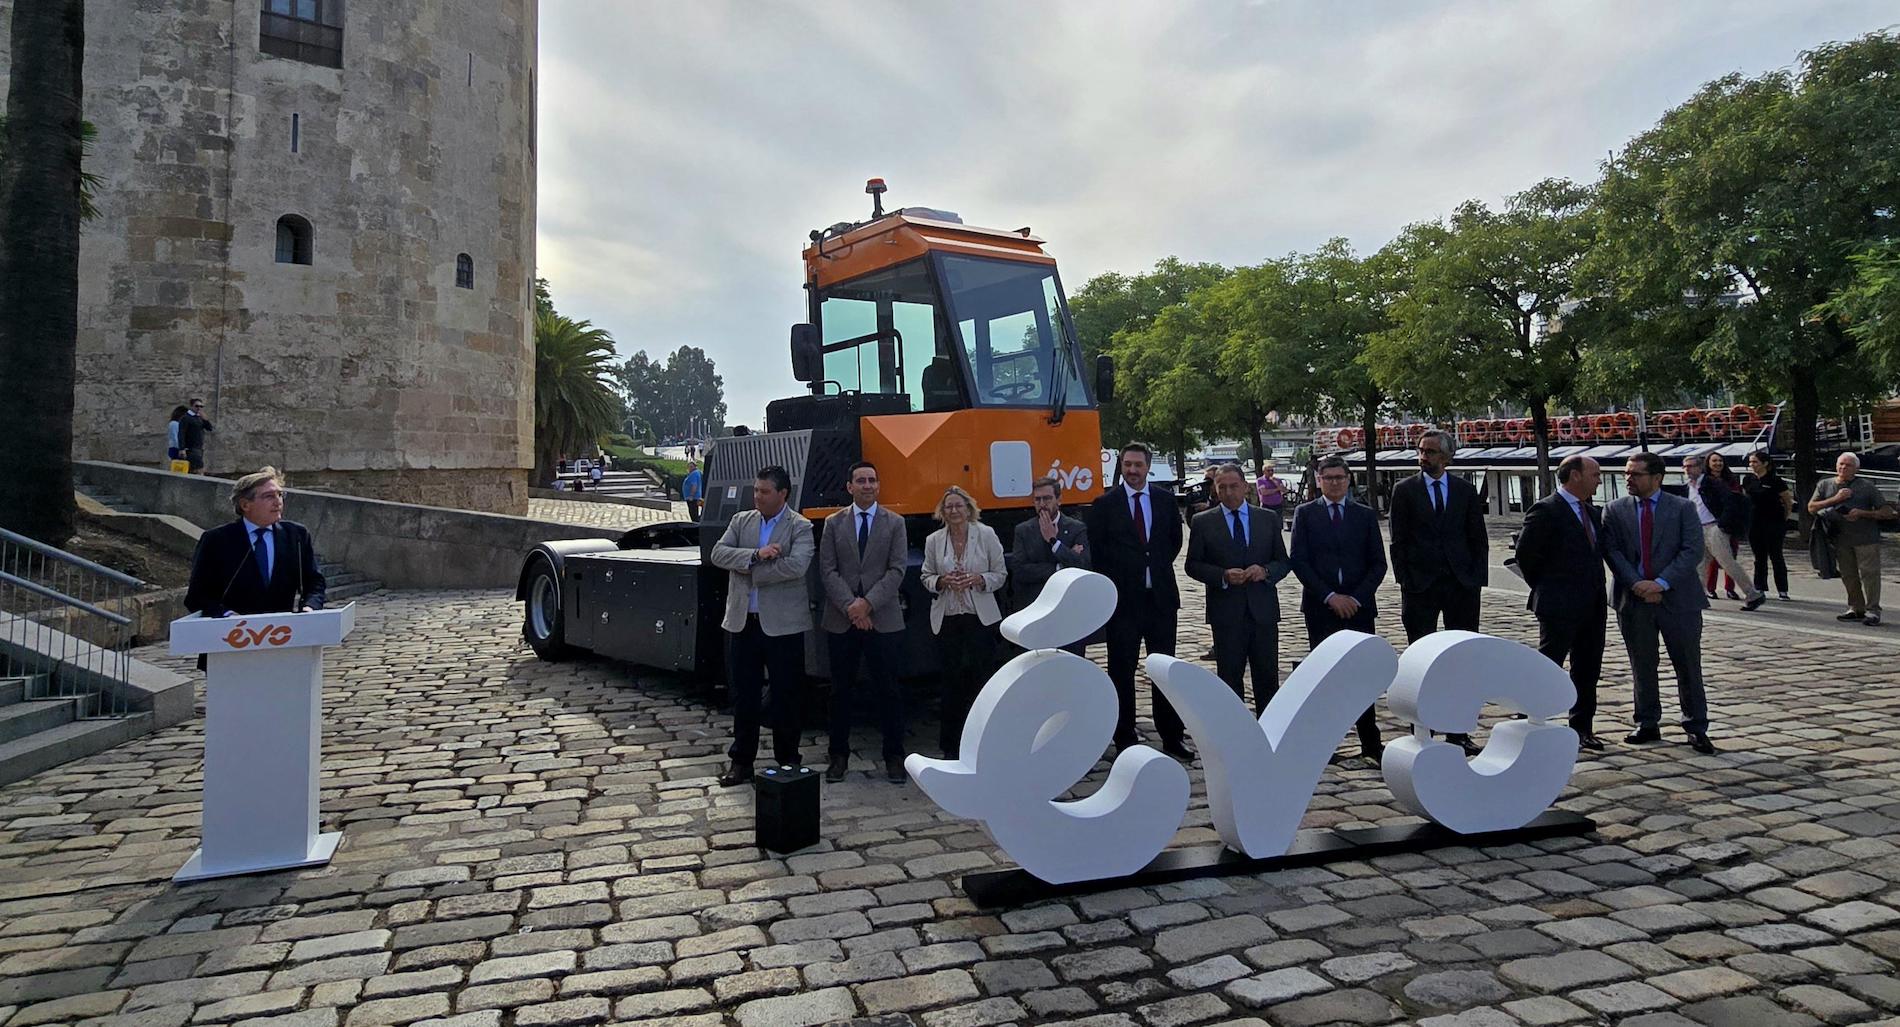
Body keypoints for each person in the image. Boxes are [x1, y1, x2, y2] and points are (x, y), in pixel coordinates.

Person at [1603, 451, 1715, 754]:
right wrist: (1638, 584)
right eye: (1627, 473)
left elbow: (1692, 551)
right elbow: (1612, 552)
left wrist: (1661, 583)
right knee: (1642, 664)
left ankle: (1695, 726)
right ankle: (1647, 722)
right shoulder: (1614, 510)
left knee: (1688, 665)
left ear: (1657, 478)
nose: (1629, 479)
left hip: (1679, 599)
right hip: (1634, 599)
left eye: (1636, 474)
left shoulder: (1682, 508)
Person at [709, 465, 814, 786]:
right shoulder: (741, 521)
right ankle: (741, 762)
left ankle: (787, 760)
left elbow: (797, 566)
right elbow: (718, 553)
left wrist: (751, 570)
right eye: (756, 490)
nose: (758, 496)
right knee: (744, 696)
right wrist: (757, 555)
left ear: (783, 494)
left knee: (786, 695)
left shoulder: (801, 526)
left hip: (783, 627)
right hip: (743, 624)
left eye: (765, 491)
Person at [1386, 429, 1488, 755]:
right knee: (1421, 660)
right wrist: (1406, 579)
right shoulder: (1404, 491)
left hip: (1460, 585)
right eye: (1420, 451)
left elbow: (1477, 538)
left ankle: (1458, 731)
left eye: (1430, 452)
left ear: (1446, 456)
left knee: (1462, 660)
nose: (1423, 457)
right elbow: (1398, 541)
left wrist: (1475, 578)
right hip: (1420, 586)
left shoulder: (1464, 490)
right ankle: (1422, 728)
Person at [1087, 443, 1190, 760]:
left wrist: (1152, 567)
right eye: (1127, 465)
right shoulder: (1104, 505)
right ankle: (1125, 737)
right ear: (1121, 466)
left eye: (1138, 465)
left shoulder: (1164, 500)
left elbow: (1174, 540)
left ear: (1148, 467)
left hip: (1160, 599)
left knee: (1164, 670)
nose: (1133, 470)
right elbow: (1099, 551)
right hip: (1123, 603)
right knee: (1122, 671)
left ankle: (1172, 736)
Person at [1289, 456, 1388, 759]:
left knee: (1361, 678)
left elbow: (1378, 564)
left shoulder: (1365, 515)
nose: (1334, 482)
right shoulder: (1305, 514)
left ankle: (1370, 742)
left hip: (1359, 608)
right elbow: (1300, 562)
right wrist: (1330, 596)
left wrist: (1355, 598)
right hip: (1322, 608)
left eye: (1339, 477)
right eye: (1328, 477)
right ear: (1318, 480)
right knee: (1324, 680)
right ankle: (1324, 744)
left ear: (1348, 479)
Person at [817, 462, 909, 783]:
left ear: (879, 486)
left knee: (889, 691)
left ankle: (894, 757)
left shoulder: (895, 523)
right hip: (842, 622)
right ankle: (838, 756)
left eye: (872, 480)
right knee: (840, 692)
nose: (867, 485)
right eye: (861, 480)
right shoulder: (832, 523)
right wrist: (851, 607)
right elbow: (827, 570)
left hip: (882, 619)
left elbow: (897, 570)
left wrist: (867, 604)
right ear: (849, 487)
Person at [1513, 455, 1608, 750]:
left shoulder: (1591, 512)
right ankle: (1530, 720)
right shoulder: (1546, 509)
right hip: (1558, 603)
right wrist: (1548, 587)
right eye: (1595, 474)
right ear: (1575, 476)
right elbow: (1526, 556)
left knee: (1588, 667)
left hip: (1593, 603)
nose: (1599, 479)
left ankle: (1582, 727)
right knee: (1549, 665)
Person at [1186, 463, 1291, 715]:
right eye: (1223, 487)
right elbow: (1192, 565)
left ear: (1245, 487)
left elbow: (1283, 562)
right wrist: (1221, 575)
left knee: (1267, 678)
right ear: (1215, 490)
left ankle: (1269, 733)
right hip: (1226, 612)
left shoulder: (1267, 518)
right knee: (1230, 680)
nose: (1229, 492)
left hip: (1262, 612)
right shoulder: (1203, 522)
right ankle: (1235, 736)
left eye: (1234, 486)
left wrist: (1265, 571)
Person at [922, 486, 1007, 759]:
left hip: (979, 619)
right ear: (942, 512)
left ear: (968, 508)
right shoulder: (934, 540)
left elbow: (1001, 573)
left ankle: (985, 742)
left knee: (981, 680)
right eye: (949, 507)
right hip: (948, 619)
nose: (954, 511)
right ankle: (951, 746)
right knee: (951, 683)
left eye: (959, 506)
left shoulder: (986, 535)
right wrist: (942, 581)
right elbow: (926, 576)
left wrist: (978, 580)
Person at [184, 467, 327, 619]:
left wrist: (310, 607)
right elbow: (197, 596)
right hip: (232, 634)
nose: (278, 501)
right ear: (245, 505)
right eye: (269, 496)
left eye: (280, 494)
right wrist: (227, 615)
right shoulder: (216, 540)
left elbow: (314, 582)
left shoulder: (297, 535)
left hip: (282, 632)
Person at [1808, 451, 1896, 627]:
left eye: (1847, 465)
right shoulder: (1825, 484)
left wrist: (1863, 513)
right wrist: (1835, 499)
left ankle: (1873, 610)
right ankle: (1856, 607)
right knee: (1848, 575)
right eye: (1840, 464)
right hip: (1840, 539)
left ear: (1856, 468)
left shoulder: (1867, 486)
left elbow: (1887, 512)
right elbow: (1811, 507)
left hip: (1866, 538)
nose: (1843, 467)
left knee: (1869, 575)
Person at [1008, 476, 1091, 656]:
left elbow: (1082, 566)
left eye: (1047, 498)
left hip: (1068, 612)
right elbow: (1020, 570)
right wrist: (1060, 567)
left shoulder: (1076, 528)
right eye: (1038, 499)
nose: (1042, 504)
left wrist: (1054, 542)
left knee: (1070, 665)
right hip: (1035, 611)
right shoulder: (1023, 530)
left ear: (1059, 500)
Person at [1683, 454, 1764, 610]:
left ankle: (1752, 593)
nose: (1687, 469)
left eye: (1691, 466)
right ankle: (1699, 597)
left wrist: (1722, 525)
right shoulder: (1688, 487)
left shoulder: (1711, 483)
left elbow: (1730, 503)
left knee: (1726, 561)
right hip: (1699, 528)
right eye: (1685, 466)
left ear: (1700, 468)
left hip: (1714, 527)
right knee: (1700, 564)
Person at [1698, 452, 1750, 600]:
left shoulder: (1730, 480)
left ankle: (1730, 588)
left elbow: (1737, 500)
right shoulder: (1704, 481)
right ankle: (1710, 588)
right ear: (1707, 463)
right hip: (1712, 524)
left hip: (1730, 523)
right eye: (1714, 461)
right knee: (1712, 559)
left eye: (1720, 460)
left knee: (1730, 557)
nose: (1717, 463)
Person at [1745, 450, 1792, 600]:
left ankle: (1782, 590)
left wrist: (1784, 517)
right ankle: (1760, 587)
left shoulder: (1775, 480)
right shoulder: (1748, 480)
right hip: (1754, 523)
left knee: (1776, 556)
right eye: (1751, 462)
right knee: (1759, 558)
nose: (1752, 465)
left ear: (1765, 463)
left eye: (1755, 462)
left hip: (1773, 522)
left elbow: (1787, 501)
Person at [178, 398, 214, 474]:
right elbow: (181, 433)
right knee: (198, 469)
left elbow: (210, 428)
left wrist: (205, 419)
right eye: (197, 406)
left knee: (195, 469)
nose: (199, 408)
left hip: (199, 448)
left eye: (201, 406)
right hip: (190, 448)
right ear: (191, 406)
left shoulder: (200, 418)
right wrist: (182, 448)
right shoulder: (186, 418)